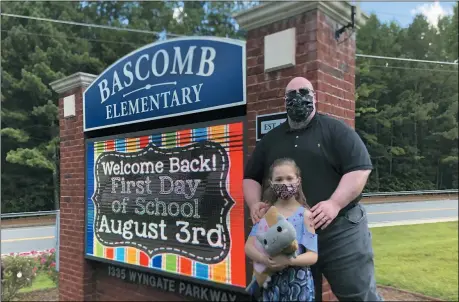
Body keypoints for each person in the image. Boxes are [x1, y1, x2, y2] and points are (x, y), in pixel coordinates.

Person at [243, 76, 383, 301]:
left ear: (314, 98)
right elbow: (250, 176)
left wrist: (334, 204)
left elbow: (360, 168)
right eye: (292, 94)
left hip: (340, 230)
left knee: (359, 295)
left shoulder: (336, 130)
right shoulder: (271, 140)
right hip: (292, 234)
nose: (298, 98)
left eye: (304, 92)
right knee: (302, 295)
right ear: (284, 101)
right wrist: (253, 203)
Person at [245, 158, 318, 302]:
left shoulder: (305, 215)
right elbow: (248, 247)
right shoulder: (267, 214)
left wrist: (288, 260)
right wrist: (264, 259)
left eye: (289, 178)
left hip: (298, 285)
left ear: (298, 180)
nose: (284, 183)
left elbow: (312, 256)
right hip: (271, 284)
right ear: (271, 183)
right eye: (279, 179)